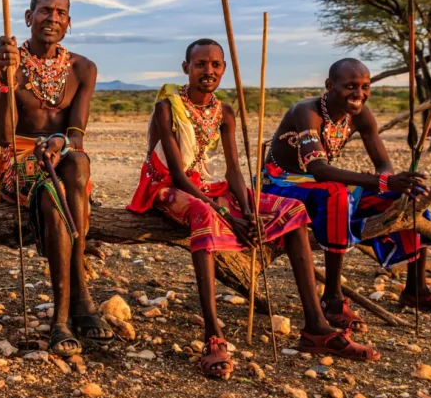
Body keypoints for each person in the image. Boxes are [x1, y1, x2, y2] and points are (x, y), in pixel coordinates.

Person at [127, 40, 378, 378]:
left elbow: (232, 170)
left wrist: (247, 212)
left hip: (210, 184)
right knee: (204, 215)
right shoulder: (168, 108)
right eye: (200, 64)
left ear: (224, 70)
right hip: (169, 187)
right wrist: (229, 215)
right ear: (186, 68)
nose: (209, 71)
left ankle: (316, 326)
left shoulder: (224, 110)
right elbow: (175, 173)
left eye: (216, 65)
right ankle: (213, 335)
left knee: (289, 211)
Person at [261, 58, 431, 332]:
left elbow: (383, 165)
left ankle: (416, 288)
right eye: (350, 86)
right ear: (329, 85)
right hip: (282, 184)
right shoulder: (306, 112)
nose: (359, 94)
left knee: (406, 197)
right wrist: (383, 180)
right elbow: (319, 169)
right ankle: (333, 298)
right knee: (336, 194)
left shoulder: (359, 114)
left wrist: (393, 184)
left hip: (318, 182)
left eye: (364, 87)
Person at [0, 0, 112, 358]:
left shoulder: (83, 68)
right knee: (54, 189)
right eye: (44, 11)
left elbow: (76, 132)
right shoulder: (3, 62)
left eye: (60, 13)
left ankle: (66, 313)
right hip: (19, 158)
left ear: (68, 23)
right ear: (28, 17)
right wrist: (9, 81)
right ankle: (73, 307)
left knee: (77, 162)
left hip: (64, 156)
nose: (52, 18)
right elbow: (1, 135)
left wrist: (59, 143)